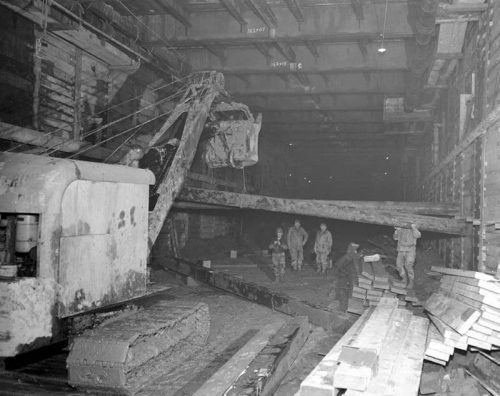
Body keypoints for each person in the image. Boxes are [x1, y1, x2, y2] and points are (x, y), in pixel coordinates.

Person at [393, 223, 421, 289]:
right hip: (401, 249)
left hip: (410, 250)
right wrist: (397, 231)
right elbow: (395, 238)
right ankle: (404, 279)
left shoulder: (413, 227)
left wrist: (414, 228)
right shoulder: (400, 228)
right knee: (399, 265)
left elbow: (418, 235)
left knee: (408, 265)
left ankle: (411, 281)